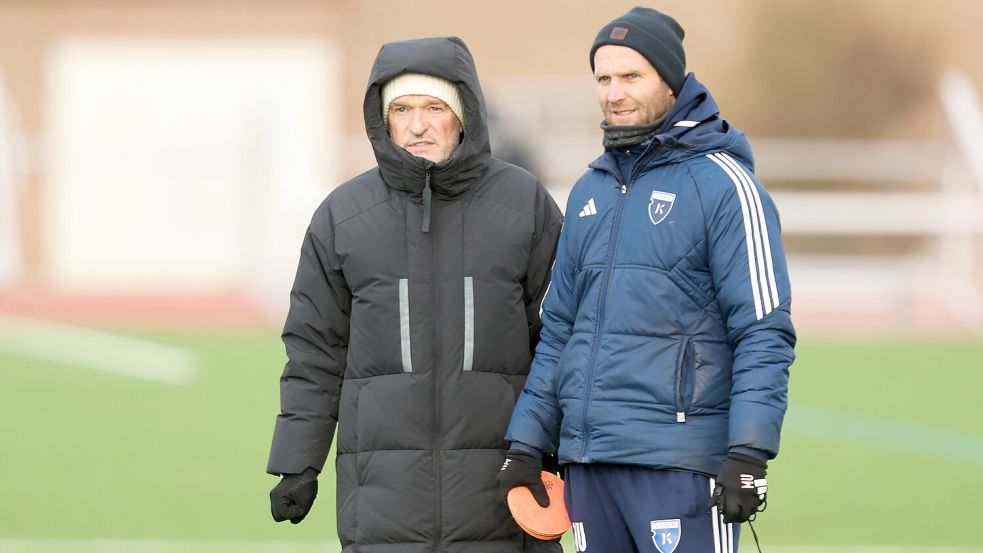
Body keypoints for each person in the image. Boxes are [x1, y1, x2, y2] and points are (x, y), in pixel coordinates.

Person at [497, 7, 796, 553]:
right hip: (589, 468)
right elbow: (560, 331)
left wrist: (750, 453)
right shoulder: (590, 190)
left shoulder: (727, 186)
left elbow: (763, 330)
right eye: (603, 79)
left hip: (681, 470)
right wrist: (527, 441)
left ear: (671, 79)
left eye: (631, 76)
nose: (614, 93)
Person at [266, 35, 563, 553]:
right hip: (383, 509)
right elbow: (315, 354)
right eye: (401, 109)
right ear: (384, 119)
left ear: (465, 114)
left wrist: (557, 455)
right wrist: (297, 461)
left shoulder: (526, 206)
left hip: (503, 502)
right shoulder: (341, 218)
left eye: (434, 107)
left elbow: (564, 342)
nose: (417, 124)